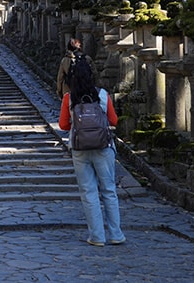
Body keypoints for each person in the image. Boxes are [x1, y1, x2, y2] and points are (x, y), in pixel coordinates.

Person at [58, 61, 124, 247]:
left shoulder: (69, 98)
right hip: (104, 147)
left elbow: (63, 125)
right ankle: (116, 234)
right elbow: (114, 120)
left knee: (88, 192)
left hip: (80, 149)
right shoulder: (103, 95)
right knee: (109, 190)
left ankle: (97, 236)